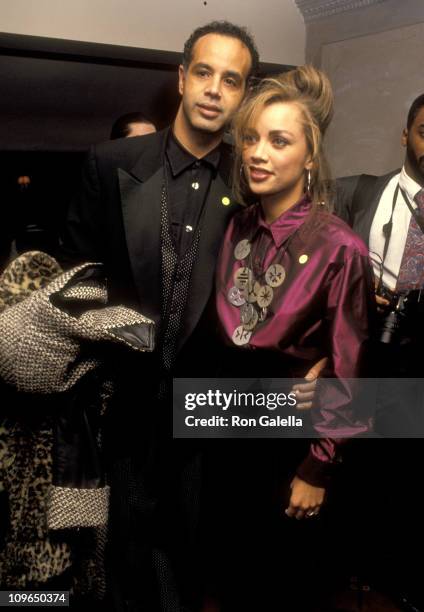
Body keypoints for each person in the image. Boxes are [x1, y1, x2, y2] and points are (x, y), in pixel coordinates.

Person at [61, 20, 259, 612]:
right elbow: (75, 280)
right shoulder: (109, 163)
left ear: (243, 95)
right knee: (120, 564)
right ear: (180, 77)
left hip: (209, 419)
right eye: (204, 72)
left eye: (232, 79)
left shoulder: (252, 185)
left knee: (191, 562)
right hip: (119, 407)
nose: (214, 89)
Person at [213, 65, 375, 609]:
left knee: (288, 587)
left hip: (292, 439)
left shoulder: (339, 247)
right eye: (251, 138)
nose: (258, 152)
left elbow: (351, 370)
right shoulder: (235, 227)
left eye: (278, 140)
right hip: (229, 426)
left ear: (309, 155)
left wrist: (318, 467)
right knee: (232, 580)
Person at [334, 94, 424, 607]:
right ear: (405, 135)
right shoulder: (358, 193)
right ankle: (353, 571)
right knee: (357, 469)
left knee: (410, 480)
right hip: (366, 357)